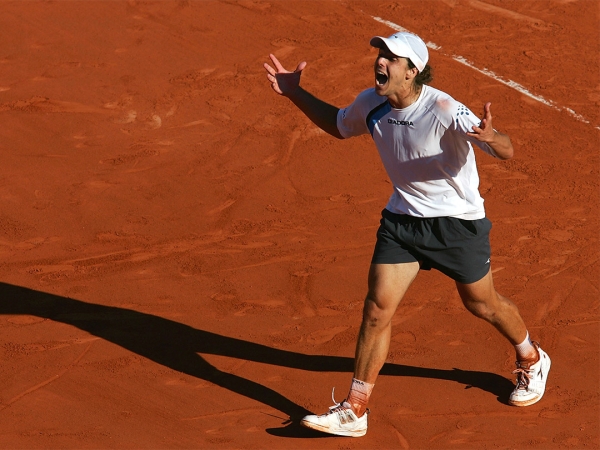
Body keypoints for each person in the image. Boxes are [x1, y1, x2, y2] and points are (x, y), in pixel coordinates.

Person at [263, 31, 551, 438]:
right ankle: (355, 409)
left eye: (392, 58)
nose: (380, 61)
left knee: (481, 303)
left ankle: (532, 356)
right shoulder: (371, 103)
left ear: (412, 71)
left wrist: (491, 137)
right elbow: (338, 124)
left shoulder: (444, 109)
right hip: (403, 221)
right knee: (377, 309)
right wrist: (295, 93)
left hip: (456, 223)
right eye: (380, 54)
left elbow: (506, 150)